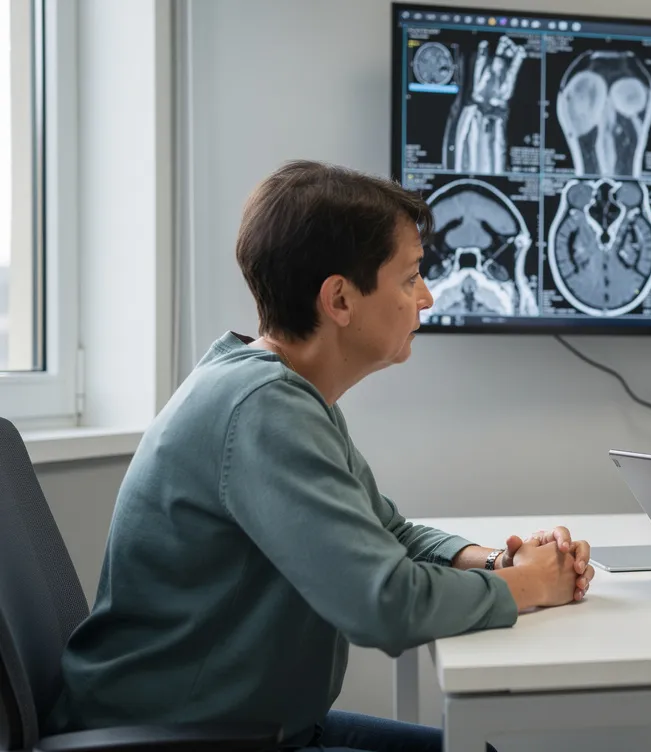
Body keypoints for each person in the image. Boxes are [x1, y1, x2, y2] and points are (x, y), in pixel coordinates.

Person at [42, 160, 595, 752]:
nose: (428, 298)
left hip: (243, 724)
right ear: (339, 299)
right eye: (410, 278)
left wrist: (495, 563)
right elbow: (384, 604)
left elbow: (388, 531)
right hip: (182, 739)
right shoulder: (263, 409)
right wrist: (529, 587)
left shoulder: (279, 390)